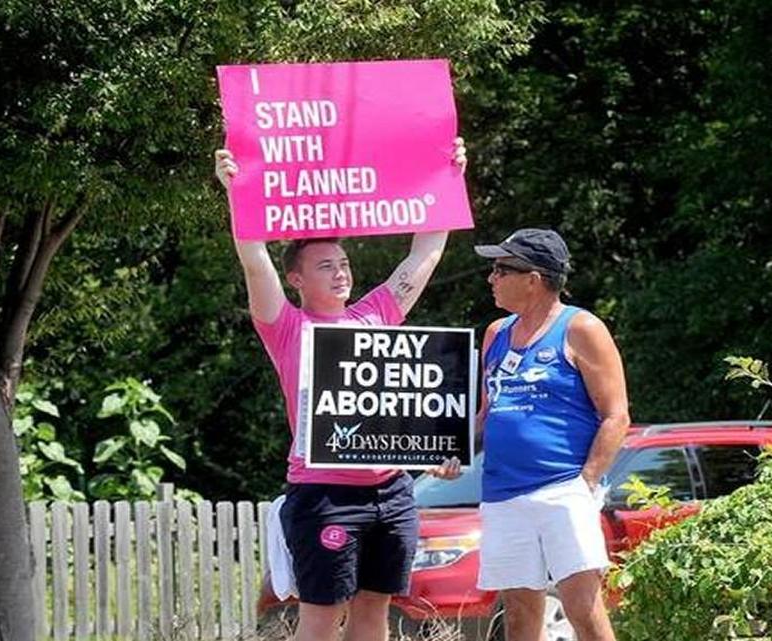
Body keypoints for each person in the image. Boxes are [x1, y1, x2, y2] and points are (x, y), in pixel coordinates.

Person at [214, 140, 465, 641]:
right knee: (323, 618)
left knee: (374, 613)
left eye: (344, 262)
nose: (341, 271)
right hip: (324, 497)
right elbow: (252, 258)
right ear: (296, 280)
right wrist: (237, 189)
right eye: (326, 265)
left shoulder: (377, 312)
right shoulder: (284, 326)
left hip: (393, 493)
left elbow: (427, 250)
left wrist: (448, 175)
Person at [459, 228, 630, 641]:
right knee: (517, 615)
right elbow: (486, 414)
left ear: (533, 279)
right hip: (502, 494)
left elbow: (616, 416)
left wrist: (584, 483)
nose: (491, 278)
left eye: (500, 269)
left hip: (561, 487)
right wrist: (449, 448)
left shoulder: (581, 328)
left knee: (582, 609)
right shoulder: (497, 333)